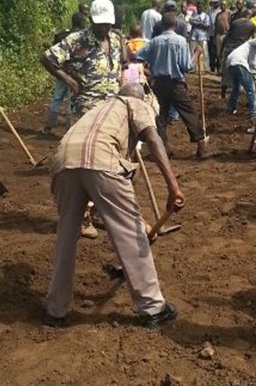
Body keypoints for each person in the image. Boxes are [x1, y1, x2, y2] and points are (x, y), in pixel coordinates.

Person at [43, 83, 185, 329]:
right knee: (130, 236)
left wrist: (138, 223)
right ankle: (153, 309)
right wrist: (173, 186)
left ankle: (55, 309)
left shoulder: (98, 110)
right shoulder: (136, 103)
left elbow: (101, 198)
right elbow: (153, 138)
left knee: (66, 236)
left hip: (63, 162)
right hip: (102, 159)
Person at [136, 12, 215, 159]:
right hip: (176, 84)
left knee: (160, 116)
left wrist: (149, 70)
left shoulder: (154, 42)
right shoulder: (180, 41)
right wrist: (196, 54)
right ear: (176, 25)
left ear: (162, 25)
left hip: (158, 84)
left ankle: (163, 149)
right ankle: (201, 148)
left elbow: (136, 56)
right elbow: (187, 66)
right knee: (189, 113)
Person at [41, 0, 128, 119]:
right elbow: (47, 58)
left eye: (107, 24)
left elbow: (122, 64)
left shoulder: (115, 40)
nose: (104, 28)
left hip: (111, 110)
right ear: (92, 20)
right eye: (100, 24)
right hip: (85, 110)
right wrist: (69, 81)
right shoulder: (77, 40)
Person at [42, 10, 90, 135]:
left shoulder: (60, 35)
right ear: (83, 22)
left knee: (57, 98)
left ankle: (49, 126)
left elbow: (53, 55)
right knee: (71, 102)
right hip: (74, 74)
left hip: (60, 72)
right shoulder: (82, 38)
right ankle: (69, 131)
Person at [225, 35, 256, 125]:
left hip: (230, 62)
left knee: (236, 87)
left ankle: (230, 109)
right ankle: (254, 114)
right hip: (239, 62)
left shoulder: (251, 49)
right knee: (250, 89)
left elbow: (253, 65)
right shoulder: (253, 43)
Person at [189, 1, 210, 69]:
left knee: (205, 52)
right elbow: (191, 21)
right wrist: (200, 23)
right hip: (193, 36)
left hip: (203, 36)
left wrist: (196, 23)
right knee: (193, 52)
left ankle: (205, 67)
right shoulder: (193, 14)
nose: (199, 9)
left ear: (203, 8)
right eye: (198, 7)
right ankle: (193, 67)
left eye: (200, 7)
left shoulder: (206, 15)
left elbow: (206, 26)